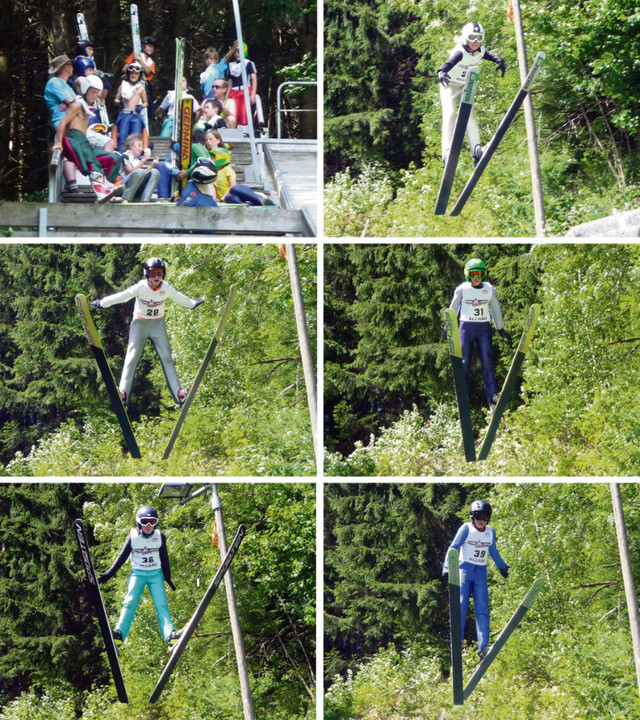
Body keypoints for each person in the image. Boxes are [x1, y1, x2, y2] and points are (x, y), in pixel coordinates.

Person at [90, 257, 204, 406]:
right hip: (140, 323)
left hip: (158, 324)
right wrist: (103, 303)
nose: (156, 277)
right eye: (153, 273)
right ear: (146, 274)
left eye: (160, 273)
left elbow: (179, 297)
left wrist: (193, 304)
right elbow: (123, 296)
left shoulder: (166, 288)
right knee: (132, 356)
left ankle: (178, 394)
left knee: (167, 357)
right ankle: (123, 393)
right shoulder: (141, 287)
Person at [97, 506, 181, 651]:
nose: (149, 526)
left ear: (156, 523)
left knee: (161, 605)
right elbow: (121, 557)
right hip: (138, 574)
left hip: (156, 575)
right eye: (145, 522)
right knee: (129, 603)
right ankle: (119, 636)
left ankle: (170, 636)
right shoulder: (133, 538)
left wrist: (167, 577)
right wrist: (109, 574)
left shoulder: (160, 537)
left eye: (152, 522)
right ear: (139, 523)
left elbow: (164, 558)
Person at [442, 500, 510, 660]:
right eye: (479, 516)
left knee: (482, 608)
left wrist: (502, 567)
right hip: (464, 570)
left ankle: (483, 647)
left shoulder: (490, 532)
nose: (482, 521)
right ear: (473, 516)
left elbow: (493, 551)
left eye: (485, 517)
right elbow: (453, 548)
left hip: (480, 571)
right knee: (461, 604)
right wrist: (447, 569)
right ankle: (456, 640)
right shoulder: (466, 528)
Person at [445, 258, 512, 408]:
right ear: (468, 274)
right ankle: (463, 394)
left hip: (484, 327)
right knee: (464, 361)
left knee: (488, 362)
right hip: (466, 327)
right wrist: (447, 326)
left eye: (480, 274)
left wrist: (499, 327)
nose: (476, 278)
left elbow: (495, 308)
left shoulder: (489, 289)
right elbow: (453, 307)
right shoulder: (462, 289)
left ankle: (492, 397)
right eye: (474, 274)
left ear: (484, 275)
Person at [437, 22, 506, 164]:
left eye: (479, 38)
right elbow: (449, 63)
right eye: (472, 38)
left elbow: (490, 55)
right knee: (450, 114)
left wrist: (500, 60)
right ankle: (446, 151)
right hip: (449, 85)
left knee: (469, 114)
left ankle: (476, 150)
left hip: (464, 85)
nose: (475, 42)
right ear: (465, 38)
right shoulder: (460, 52)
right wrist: (441, 72)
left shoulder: (480, 51)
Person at [52, 75, 124, 201]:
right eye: (92, 92)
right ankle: (101, 193)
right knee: (93, 163)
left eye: (97, 93)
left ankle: (108, 189)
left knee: (115, 158)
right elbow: (62, 123)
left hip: (84, 141)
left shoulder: (87, 107)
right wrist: (59, 143)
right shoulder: (77, 105)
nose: (95, 95)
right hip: (74, 139)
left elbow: (83, 100)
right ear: (85, 90)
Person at [205, 130, 275, 205]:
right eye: (206, 140)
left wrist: (223, 197)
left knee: (235, 188)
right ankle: (249, 206)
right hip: (228, 199)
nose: (208, 142)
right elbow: (213, 188)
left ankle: (260, 199)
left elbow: (233, 185)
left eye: (210, 139)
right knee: (229, 198)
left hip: (234, 193)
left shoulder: (226, 168)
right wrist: (214, 201)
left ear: (218, 140)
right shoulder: (211, 169)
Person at [228, 43, 265, 129]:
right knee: (234, 113)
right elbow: (230, 82)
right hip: (234, 92)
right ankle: (234, 132)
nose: (236, 54)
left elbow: (254, 79)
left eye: (239, 52)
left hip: (246, 91)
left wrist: (252, 94)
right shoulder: (231, 65)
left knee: (244, 112)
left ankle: (245, 132)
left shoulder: (248, 63)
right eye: (235, 52)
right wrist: (227, 96)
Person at [113, 62, 148, 152]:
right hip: (125, 113)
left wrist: (141, 106)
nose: (133, 75)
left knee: (136, 137)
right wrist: (119, 103)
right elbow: (116, 99)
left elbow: (146, 103)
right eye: (132, 73)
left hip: (136, 115)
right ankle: (121, 155)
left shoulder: (141, 88)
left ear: (139, 75)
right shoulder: (122, 86)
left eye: (136, 73)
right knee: (123, 135)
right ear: (128, 74)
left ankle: (135, 156)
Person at [119, 133, 160, 202]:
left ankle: (145, 199)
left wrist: (151, 166)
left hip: (135, 187)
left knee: (155, 172)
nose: (141, 149)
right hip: (123, 187)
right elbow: (130, 172)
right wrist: (143, 160)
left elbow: (141, 175)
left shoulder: (137, 160)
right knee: (139, 172)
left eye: (142, 146)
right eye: (139, 145)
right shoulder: (125, 156)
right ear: (131, 145)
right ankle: (126, 198)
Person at [124, 36, 157, 122]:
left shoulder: (151, 61)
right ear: (143, 46)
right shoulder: (134, 55)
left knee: (147, 106)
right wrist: (133, 67)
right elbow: (124, 69)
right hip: (132, 83)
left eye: (152, 47)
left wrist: (140, 60)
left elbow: (148, 71)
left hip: (145, 85)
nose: (151, 48)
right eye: (149, 46)